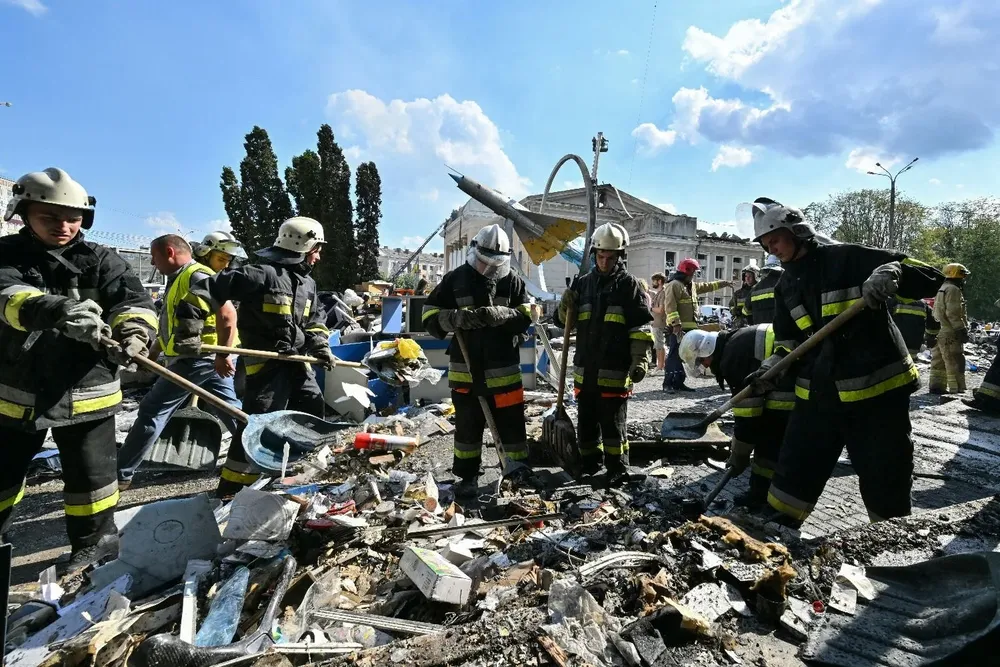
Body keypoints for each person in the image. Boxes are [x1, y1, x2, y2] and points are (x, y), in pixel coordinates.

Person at [747, 196, 942, 526]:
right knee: (796, 466)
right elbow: (788, 342)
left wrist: (892, 271)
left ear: (797, 232)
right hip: (818, 394)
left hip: (876, 395)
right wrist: (772, 367)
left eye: (775, 240)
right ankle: (775, 529)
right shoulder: (786, 286)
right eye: (766, 245)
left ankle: (890, 538)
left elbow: (931, 276)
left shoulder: (846, 258)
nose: (772, 250)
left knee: (884, 475)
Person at [0, 168, 157, 570]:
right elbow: (9, 297)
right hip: (16, 395)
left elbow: (134, 303)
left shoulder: (103, 260)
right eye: (50, 217)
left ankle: (93, 548)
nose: (64, 226)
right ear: (23, 213)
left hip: (88, 394)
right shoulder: (5, 255)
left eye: (73, 218)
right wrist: (58, 310)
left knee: (93, 484)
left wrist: (134, 333)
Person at [206, 217, 335, 496]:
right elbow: (206, 289)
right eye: (317, 250)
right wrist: (191, 329)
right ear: (304, 247)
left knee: (311, 407)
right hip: (265, 364)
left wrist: (320, 345)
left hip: (297, 362)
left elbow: (315, 321)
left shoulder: (308, 284)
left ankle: (296, 471)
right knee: (259, 421)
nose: (319, 256)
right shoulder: (260, 274)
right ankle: (232, 488)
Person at [117, 235, 242, 490]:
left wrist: (223, 355)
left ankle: (120, 474)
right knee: (231, 411)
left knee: (152, 411)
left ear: (170, 252)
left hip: (198, 359)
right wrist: (152, 355)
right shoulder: (179, 279)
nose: (153, 263)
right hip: (204, 359)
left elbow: (228, 314)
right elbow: (171, 328)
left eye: (154, 257)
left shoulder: (198, 276)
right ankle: (257, 455)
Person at [422, 224, 533, 497]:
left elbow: (528, 315)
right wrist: (454, 318)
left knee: (512, 427)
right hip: (466, 372)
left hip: (504, 371)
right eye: (484, 262)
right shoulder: (454, 279)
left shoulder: (513, 281)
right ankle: (468, 477)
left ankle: (517, 472)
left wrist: (506, 315)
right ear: (474, 253)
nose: (488, 269)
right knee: (467, 430)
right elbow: (428, 315)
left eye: (494, 264)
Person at [558, 223, 653, 484]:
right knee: (586, 427)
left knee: (613, 427)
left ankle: (617, 469)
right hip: (585, 372)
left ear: (619, 257)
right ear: (593, 254)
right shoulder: (582, 285)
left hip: (614, 371)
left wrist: (639, 361)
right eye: (600, 256)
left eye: (610, 258)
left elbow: (640, 329)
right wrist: (565, 306)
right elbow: (563, 323)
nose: (604, 262)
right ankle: (590, 465)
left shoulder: (630, 286)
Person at [680, 325, 794, 509]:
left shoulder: (732, 359)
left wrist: (739, 455)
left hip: (789, 385)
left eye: (702, 361)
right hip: (787, 375)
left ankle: (766, 499)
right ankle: (759, 492)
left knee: (770, 439)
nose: (705, 366)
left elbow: (748, 418)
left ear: (708, 348)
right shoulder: (733, 342)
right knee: (767, 438)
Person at [661, 259, 732, 392]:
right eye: (692, 272)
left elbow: (707, 286)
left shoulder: (691, 286)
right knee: (674, 355)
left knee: (683, 357)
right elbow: (670, 307)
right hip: (678, 328)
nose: (693, 275)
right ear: (686, 272)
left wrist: (724, 283)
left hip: (690, 328)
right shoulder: (674, 285)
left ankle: (679, 382)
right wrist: (676, 324)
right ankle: (668, 383)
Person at [930, 263, 970, 395]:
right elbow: (953, 313)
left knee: (938, 360)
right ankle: (956, 388)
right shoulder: (953, 289)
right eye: (963, 275)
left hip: (938, 331)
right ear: (957, 275)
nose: (964, 279)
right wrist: (961, 330)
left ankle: (936, 385)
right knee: (954, 359)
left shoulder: (941, 288)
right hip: (949, 332)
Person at [748, 255, 783, 325]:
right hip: (779, 329)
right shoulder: (784, 284)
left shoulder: (754, 289)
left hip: (759, 329)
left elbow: (745, 311)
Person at [649, 273, 668, 374]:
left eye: (654, 281)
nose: (652, 283)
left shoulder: (663, 293)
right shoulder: (659, 293)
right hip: (656, 322)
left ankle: (661, 367)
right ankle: (659, 366)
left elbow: (661, 310)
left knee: (660, 345)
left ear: (659, 281)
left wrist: (650, 308)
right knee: (658, 345)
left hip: (660, 323)